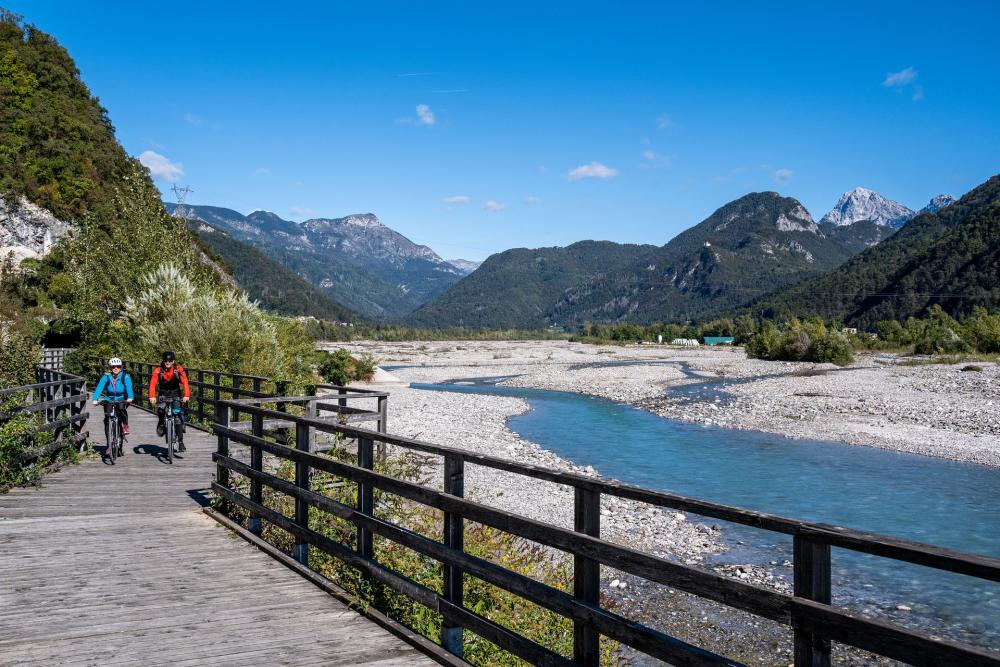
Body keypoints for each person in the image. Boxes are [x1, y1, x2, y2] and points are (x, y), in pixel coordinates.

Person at [149, 350, 191, 451]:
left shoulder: (178, 369)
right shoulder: (158, 370)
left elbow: (185, 381)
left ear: (173, 361)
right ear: (163, 361)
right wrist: (152, 396)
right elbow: (153, 383)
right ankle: (161, 423)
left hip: (175, 394)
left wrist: (186, 395)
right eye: (165, 360)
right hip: (163, 394)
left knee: (176, 416)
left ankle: (181, 442)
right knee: (160, 410)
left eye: (170, 360)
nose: (168, 362)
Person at [91, 357, 134, 436]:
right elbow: (99, 388)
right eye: (113, 367)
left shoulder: (125, 376)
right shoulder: (106, 377)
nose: (116, 368)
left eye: (118, 366)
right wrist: (95, 399)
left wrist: (130, 397)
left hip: (121, 397)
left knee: (122, 409)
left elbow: (129, 387)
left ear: (121, 367)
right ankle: (109, 444)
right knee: (107, 417)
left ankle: (125, 426)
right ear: (110, 368)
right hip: (109, 398)